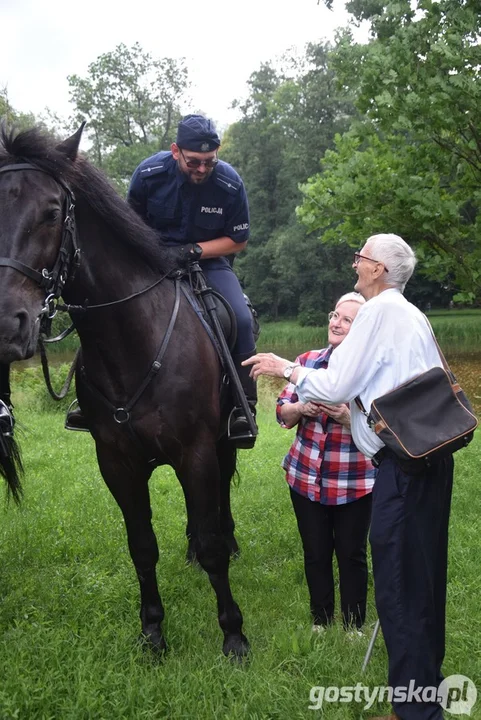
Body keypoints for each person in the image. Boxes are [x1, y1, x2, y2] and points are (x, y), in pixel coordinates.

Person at [243, 234, 453, 720]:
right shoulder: (411, 314)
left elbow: (336, 381)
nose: (355, 263)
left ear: (377, 269)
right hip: (430, 460)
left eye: (360, 256)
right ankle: (423, 696)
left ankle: (414, 713)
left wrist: (286, 369)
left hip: (402, 468)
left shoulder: (380, 312)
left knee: (399, 587)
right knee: (423, 584)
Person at [67, 114, 257, 447]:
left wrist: (194, 250)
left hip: (208, 263)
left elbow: (238, 239)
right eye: (193, 162)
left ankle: (243, 407)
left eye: (209, 162)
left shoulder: (229, 183)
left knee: (241, 317)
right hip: (150, 261)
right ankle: (90, 401)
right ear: (175, 151)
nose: (202, 169)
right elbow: (128, 227)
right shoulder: (148, 174)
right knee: (104, 309)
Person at [277, 292, 375, 634]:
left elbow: (383, 429)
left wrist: (350, 419)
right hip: (305, 478)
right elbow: (282, 412)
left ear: (361, 330)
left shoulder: (371, 372)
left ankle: (353, 626)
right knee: (315, 552)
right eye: (335, 315)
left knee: (351, 555)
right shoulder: (307, 361)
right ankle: (320, 620)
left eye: (347, 320)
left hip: (355, 482)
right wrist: (301, 409)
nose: (336, 322)